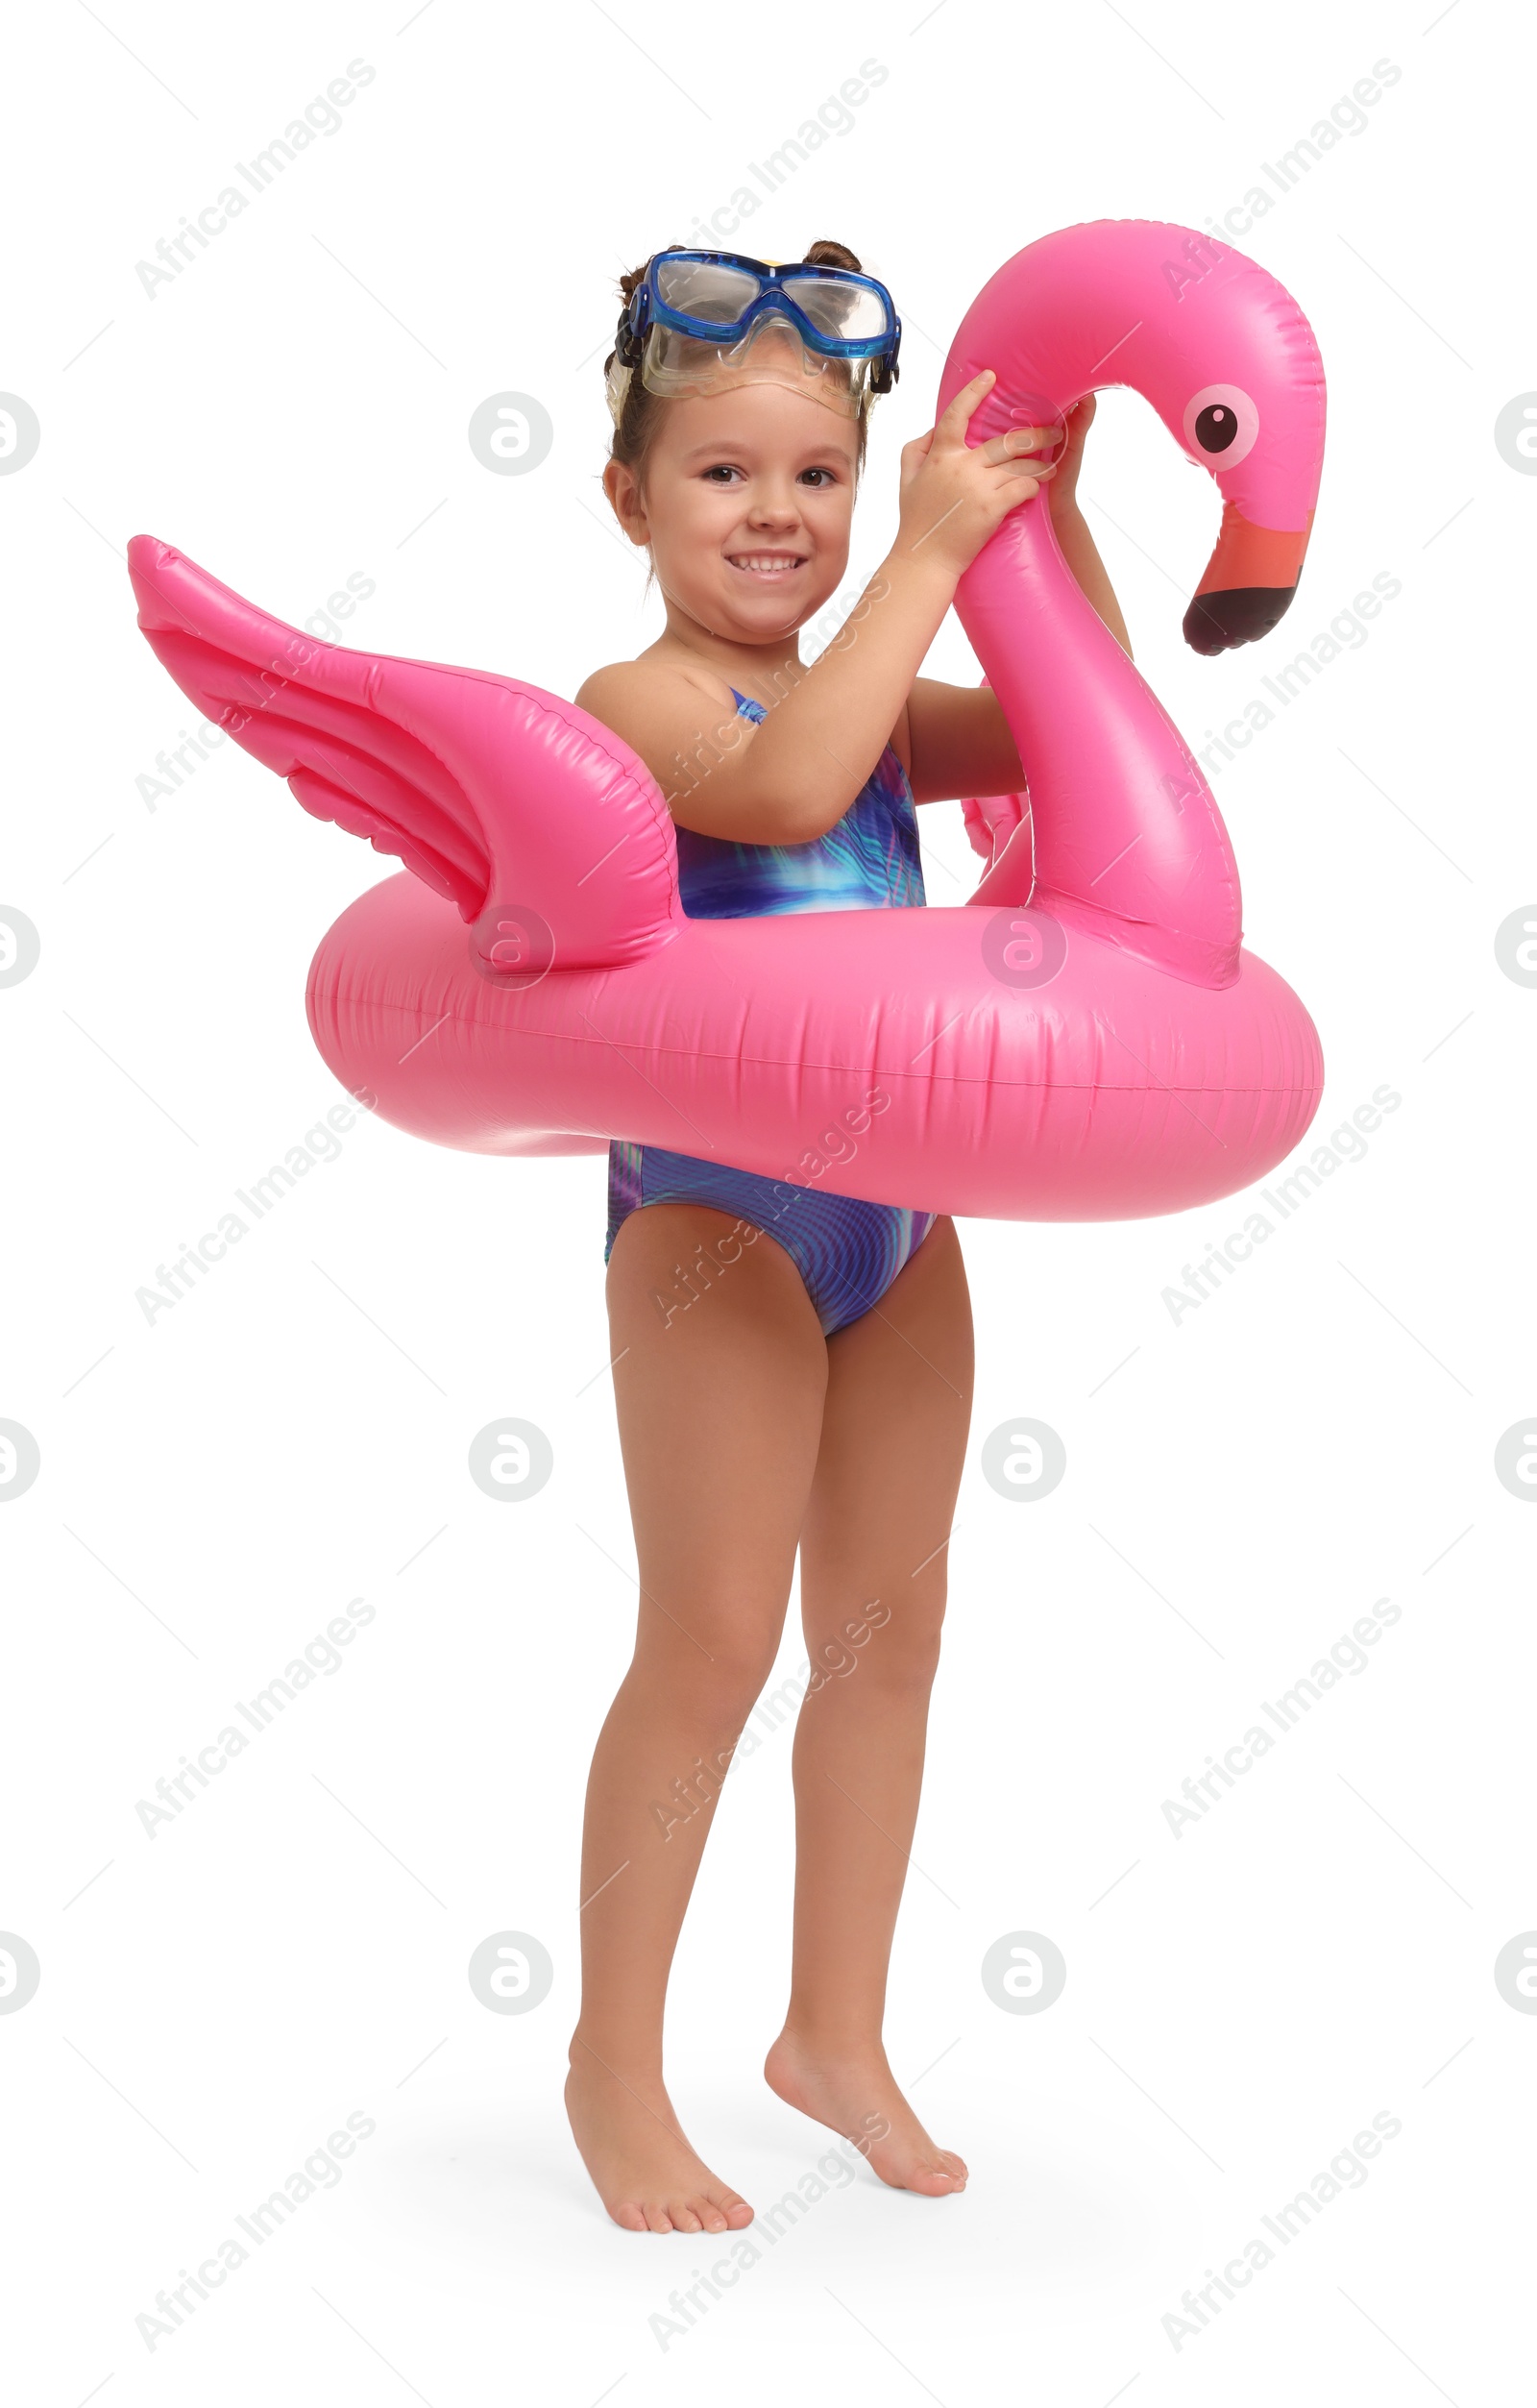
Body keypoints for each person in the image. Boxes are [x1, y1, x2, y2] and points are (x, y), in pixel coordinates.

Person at [565, 241, 1132, 2236]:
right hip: (712, 1218)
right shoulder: (633, 697)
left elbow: (1089, 729)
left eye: (818, 474)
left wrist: (1033, 537)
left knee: (888, 1638)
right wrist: (919, 555)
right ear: (626, 497)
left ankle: (833, 2030)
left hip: (895, 1223)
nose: (779, 516)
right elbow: (789, 780)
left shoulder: (879, 685)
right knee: (711, 1639)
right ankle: (611, 2068)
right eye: (721, 474)